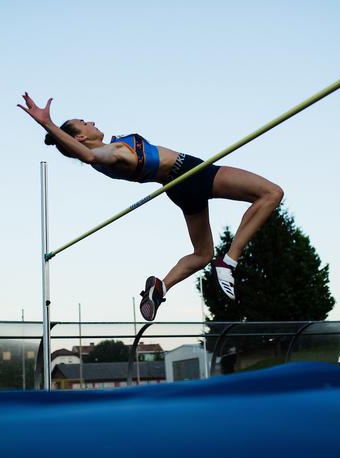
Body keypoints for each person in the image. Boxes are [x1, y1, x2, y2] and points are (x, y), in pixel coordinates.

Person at [18, 93, 283, 321]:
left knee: (202, 254)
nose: (92, 122)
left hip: (177, 187)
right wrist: (48, 124)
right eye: (84, 123)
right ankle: (230, 259)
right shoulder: (110, 153)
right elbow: (87, 155)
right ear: (81, 137)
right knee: (271, 193)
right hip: (192, 173)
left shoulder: (107, 157)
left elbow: (90, 155)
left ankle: (161, 287)